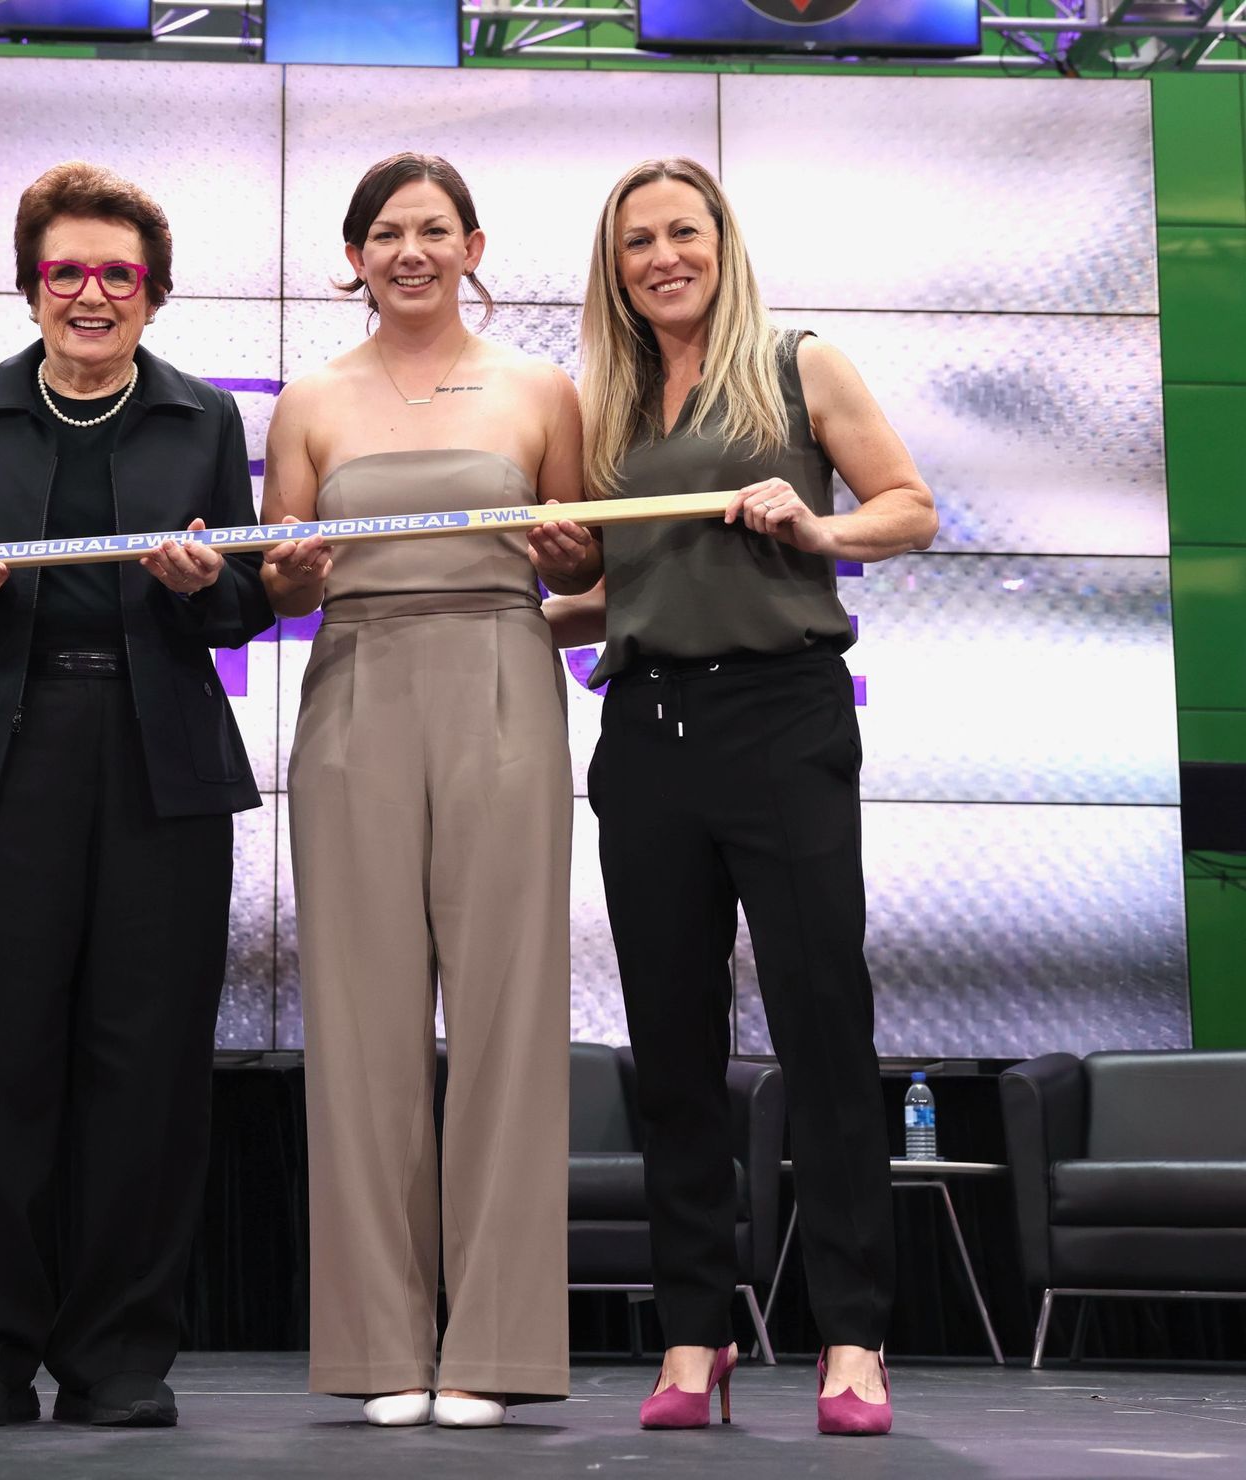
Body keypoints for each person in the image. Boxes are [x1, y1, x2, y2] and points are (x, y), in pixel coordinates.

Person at [546, 156, 936, 1437]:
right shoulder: (598, 402)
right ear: (613, 265)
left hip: (782, 717)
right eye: (637, 240)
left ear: (721, 240)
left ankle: (851, 1342)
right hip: (646, 728)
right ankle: (692, 1337)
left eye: (682, 232)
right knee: (669, 1046)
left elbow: (908, 508)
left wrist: (815, 530)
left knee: (823, 1026)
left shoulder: (795, 361)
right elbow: (624, 590)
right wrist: (503, 602)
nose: (662, 255)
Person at [0, 160, 273, 1431]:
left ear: (152, 294)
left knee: (146, 1068)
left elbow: (244, 599)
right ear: (31, 286)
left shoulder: (201, 422)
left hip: (156, 758)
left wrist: (193, 586)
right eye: (67, 271)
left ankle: (120, 1358)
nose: (92, 292)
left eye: (118, 273)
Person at [259, 152, 595, 1429]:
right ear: (350, 255)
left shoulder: (540, 388)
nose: (409, 250)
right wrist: (289, 571)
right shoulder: (306, 399)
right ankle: (376, 1348)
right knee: (357, 1027)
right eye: (384, 232)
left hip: (505, 675)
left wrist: (571, 557)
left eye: (433, 229)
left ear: (472, 245)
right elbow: (284, 585)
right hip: (352, 685)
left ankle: (497, 1347)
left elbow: (584, 566)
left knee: (511, 1017)